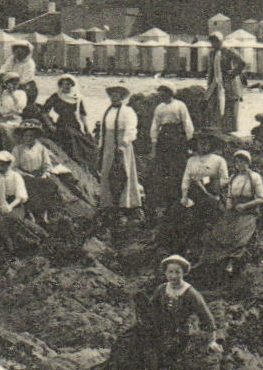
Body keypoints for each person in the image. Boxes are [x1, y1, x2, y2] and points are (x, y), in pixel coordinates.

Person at [141, 255, 223, 370]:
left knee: (170, 362)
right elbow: (151, 308)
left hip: (181, 334)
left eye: (177, 272)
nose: (173, 276)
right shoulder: (162, 289)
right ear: (165, 272)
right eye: (170, 272)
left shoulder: (190, 293)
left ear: (183, 273)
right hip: (161, 331)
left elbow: (206, 317)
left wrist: (212, 341)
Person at [205, 148, 263, 283]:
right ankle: (213, 263)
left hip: (248, 211)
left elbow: (261, 199)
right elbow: (229, 194)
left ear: (248, 162)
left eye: (242, 161)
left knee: (241, 235)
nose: (240, 164)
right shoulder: (233, 177)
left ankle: (232, 262)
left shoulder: (255, 177)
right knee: (219, 232)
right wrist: (228, 205)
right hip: (233, 211)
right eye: (237, 162)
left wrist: (245, 205)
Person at [175, 131, 229, 258]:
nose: (203, 146)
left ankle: (209, 248)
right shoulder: (191, 160)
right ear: (197, 144)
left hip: (212, 193)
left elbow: (225, 179)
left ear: (211, 145)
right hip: (194, 194)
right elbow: (186, 179)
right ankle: (185, 248)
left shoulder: (218, 160)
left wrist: (208, 182)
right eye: (201, 143)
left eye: (206, 143)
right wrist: (184, 196)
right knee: (180, 215)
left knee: (211, 217)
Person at [95, 83, 143, 222]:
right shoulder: (108, 111)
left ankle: (126, 202)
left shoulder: (127, 111)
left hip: (122, 143)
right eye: (112, 96)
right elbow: (104, 130)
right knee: (107, 171)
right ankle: (107, 203)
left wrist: (124, 143)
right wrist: (101, 145)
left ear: (122, 97)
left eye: (117, 96)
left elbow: (131, 128)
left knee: (125, 171)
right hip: (108, 144)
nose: (114, 98)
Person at [148, 84, 195, 221]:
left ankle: (180, 197)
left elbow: (187, 123)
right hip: (164, 136)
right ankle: (165, 200)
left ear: (170, 93)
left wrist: (189, 143)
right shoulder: (159, 108)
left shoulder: (180, 105)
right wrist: (154, 146)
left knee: (178, 167)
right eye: (160, 93)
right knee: (164, 168)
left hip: (177, 135)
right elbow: (155, 126)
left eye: (163, 92)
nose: (161, 95)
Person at [0, 150, 39, 248]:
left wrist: (10, 207)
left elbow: (20, 196)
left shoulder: (15, 176)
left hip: (14, 204)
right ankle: (6, 244)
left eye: (3, 165)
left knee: (9, 218)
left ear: (9, 164)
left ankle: (28, 241)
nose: (0, 168)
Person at [9, 121, 60, 226]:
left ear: (35, 137)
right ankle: (31, 214)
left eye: (31, 136)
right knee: (29, 187)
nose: (28, 138)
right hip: (24, 175)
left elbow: (47, 164)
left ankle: (44, 214)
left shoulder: (41, 148)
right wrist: (25, 174)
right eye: (26, 136)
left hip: (38, 175)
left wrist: (45, 174)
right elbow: (13, 167)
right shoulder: (17, 149)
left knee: (48, 185)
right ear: (22, 137)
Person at [41, 74, 92, 161]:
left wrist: (86, 128)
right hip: (62, 123)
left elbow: (82, 114)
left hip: (75, 123)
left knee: (85, 142)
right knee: (69, 136)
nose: (67, 86)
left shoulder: (77, 97)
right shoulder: (56, 96)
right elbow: (44, 111)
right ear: (61, 85)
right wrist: (50, 125)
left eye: (69, 84)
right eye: (65, 84)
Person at [203, 33, 246, 134]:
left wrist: (234, 73)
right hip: (216, 82)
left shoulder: (228, 51)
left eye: (216, 41)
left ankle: (230, 129)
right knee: (214, 102)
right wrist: (209, 83)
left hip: (229, 82)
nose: (214, 44)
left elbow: (242, 62)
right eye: (212, 42)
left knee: (230, 103)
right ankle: (217, 127)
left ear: (221, 41)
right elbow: (211, 69)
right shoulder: (212, 53)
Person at [0, 73, 28, 147]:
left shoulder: (21, 93)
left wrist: (12, 94)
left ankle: (11, 148)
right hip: (3, 118)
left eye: (16, 84)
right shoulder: (3, 94)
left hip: (15, 118)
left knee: (4, 128)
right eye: (12, 83)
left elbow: (21, 107)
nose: (14, 86)